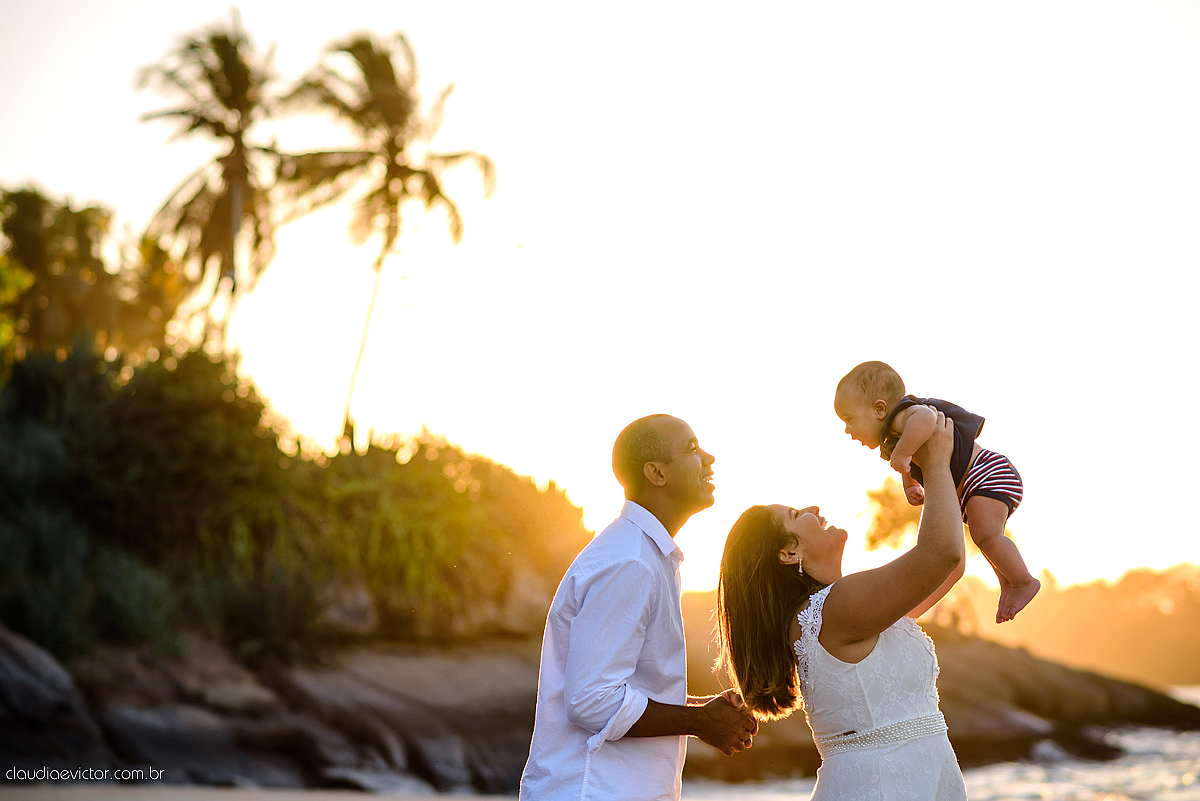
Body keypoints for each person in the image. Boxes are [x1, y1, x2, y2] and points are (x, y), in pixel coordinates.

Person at [715, 411, 968, 800]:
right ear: (788, 552)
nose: (814, 509)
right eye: (798, 515)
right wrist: (935, 462)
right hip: (882, 786)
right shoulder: (836, 608)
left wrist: (932, 473)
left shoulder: (846, 606)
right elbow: (943, 554)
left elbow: (949, 565)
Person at [520, 414, 758, 801]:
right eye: (693, 449)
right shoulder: (630, 562)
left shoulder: (648, 556)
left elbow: (622, 686)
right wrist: (699, 721)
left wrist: (703, 708)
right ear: (656, 473)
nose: (710, 459)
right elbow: (592, 700)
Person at [834, 360, 1039, 623]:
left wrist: (903, 453)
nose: (847, 430)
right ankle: (1009, 581)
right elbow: (909, 461)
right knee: (985, 537)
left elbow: (926, 418)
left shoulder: (903, 415)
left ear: (879, 409)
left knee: (986, 536)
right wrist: (909, 483)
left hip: (985, 473)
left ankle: (1023, 581)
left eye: (850, 419)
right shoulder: (895, 435)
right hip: (971, 487)